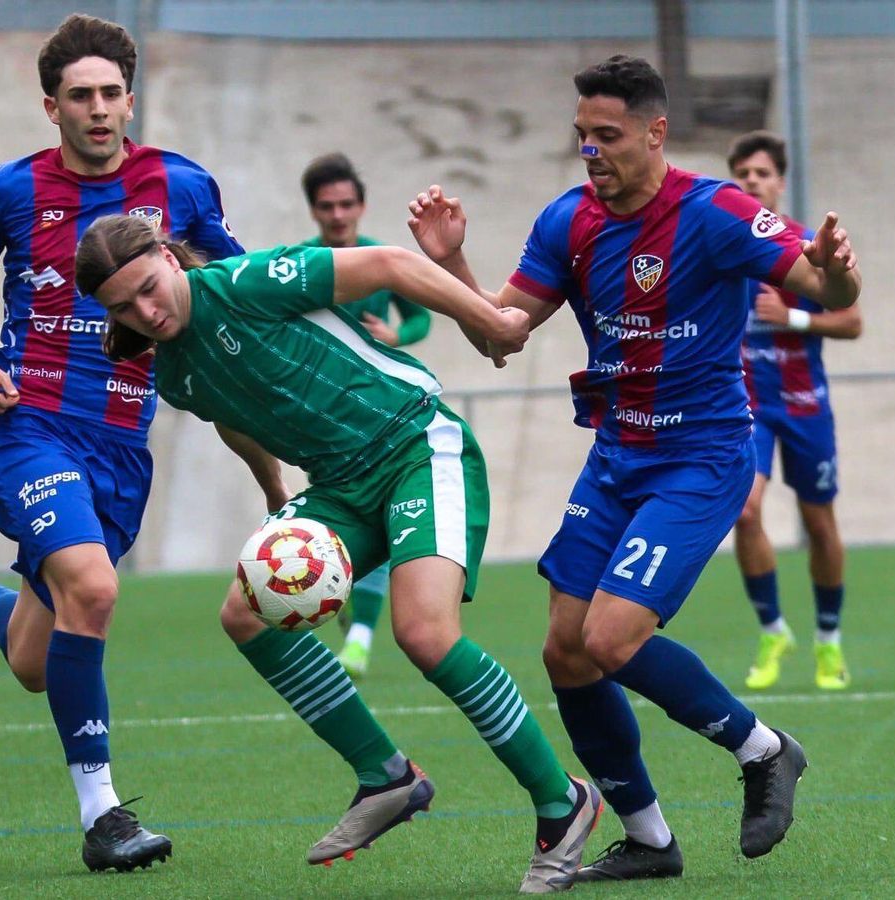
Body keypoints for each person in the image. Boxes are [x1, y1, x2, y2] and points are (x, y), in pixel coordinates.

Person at [406, 55, 861, 884]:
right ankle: (649, 838)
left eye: (607, 136)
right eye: (582, 135)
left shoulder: (716, 211)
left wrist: (831, 266)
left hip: (704, 455)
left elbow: (816, 284)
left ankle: (766, 752)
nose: (591, 151)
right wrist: (451, 267)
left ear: (656, 133)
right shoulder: (568, 221)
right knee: (564, 652)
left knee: (610, 636)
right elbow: (501, 335)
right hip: (617, 457)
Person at [75, 213, 601, 893]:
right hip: (338, 488)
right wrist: (273, 492)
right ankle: (385, 776)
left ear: (170, 261)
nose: (144, 312)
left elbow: (387, 264)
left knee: (424, 634)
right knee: (244, 612)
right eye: (123, 308)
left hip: (416, 443)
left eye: (148, 288)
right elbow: (230, 416)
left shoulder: (247, 282)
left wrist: (490, 318)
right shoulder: (172, 373)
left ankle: (563, 805)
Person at [0, 13, 243, 874]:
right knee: (94, 584)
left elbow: (229, 293)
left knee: (34, 660)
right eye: (79, 95)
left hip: (125, 445)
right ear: (51, 106)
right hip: (29, 427)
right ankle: (105, 817)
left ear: (131, 98)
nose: (97, 109)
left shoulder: (185, 188)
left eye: (110, 93)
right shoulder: (10, 189)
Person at [728, 131, 863, 692]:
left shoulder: (808, 245)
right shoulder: (722, 247)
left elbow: (853, 321)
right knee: (745, 511)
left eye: (762, 173)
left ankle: (829, 642)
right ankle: (772, 630)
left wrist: (793, 318)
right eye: (743, 173)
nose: (752, 181)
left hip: (806, 404)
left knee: (819, 524)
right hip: (749, 408)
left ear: (780, 182)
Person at [297, 151, 433, 679]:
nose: (338, 215)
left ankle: (360, 634)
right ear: (314, 210)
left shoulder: (384, 260)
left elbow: (419, 319)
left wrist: (398, 336)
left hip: (381, 412)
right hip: (320, 417)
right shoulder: (297, 263)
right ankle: (348, 606)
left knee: (382, 516)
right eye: (327, 206)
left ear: (362, 206)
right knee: (342, 522)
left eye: (346, 204)